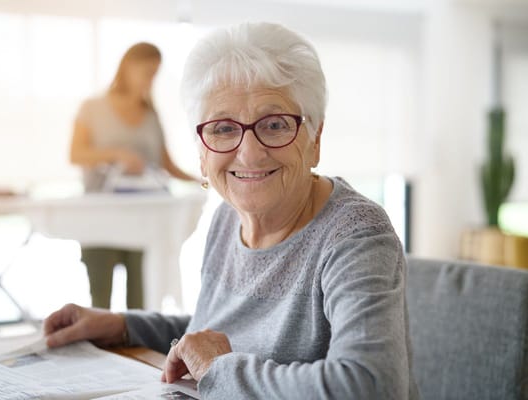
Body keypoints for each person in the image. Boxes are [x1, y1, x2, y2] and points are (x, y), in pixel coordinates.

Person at [44, 23, 419, 399]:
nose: (250, 153)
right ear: (202, 151)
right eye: (223, 128)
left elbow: (370, 388)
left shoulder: (356, 235)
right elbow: (215, 330)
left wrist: (218, 369)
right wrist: (122, 325)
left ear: (315, 138)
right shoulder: (228, 217)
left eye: (275, 124)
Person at [69, 42, 196, 310]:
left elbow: (166, 165)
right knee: (100, 301)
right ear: (128, 67)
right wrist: (116, 154)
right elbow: (76, 154)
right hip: (101, 218)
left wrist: (206, 179)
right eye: (147, 71)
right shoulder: (92, 108)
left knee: (141, 304)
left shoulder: (150, 114)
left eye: (155, 73)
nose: (151, 79)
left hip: (144, 220)